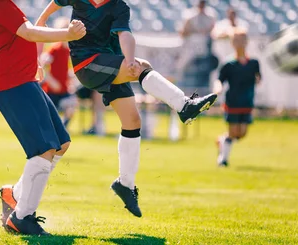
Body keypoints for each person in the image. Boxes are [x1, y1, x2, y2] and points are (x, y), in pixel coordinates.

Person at [36, 0, 218, 218]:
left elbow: (125, 35)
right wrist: (43, 19)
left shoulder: (119, 6)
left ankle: (125, 184)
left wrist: (129, 61)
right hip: (87, 64)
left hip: (111, 62)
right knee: (141, 68)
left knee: (133, 121)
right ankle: (184, 105)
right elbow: (57, 2)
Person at [0, 0, 86, 236]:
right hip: (13, 85)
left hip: (25, 81)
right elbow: (27, 33)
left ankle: (15, 195)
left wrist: (31, 62)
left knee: (60, 144)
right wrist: (67, 33)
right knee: (44, 150)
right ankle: (22, 217)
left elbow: (17, 37)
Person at [213, 29, 261, 167]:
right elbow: (219, 80)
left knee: (242, 134)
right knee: (233, 131)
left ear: (247, 42)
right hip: (233, 102)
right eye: (236, 40)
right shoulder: (228, 64)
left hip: (247, 102)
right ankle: (223, 160)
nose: (240, 43)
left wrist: (257, 80)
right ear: (232, 43)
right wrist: (218, 88)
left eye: (242, 40)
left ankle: (223, 141)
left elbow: (258, 78)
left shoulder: (253, 63)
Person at [40, 17, 78, 127]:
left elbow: (68, 70)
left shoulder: (70, 51)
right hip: (51, 90)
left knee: (72, 104)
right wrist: (49, 79)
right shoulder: (55, 49)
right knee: (49, 115)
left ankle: (63, 127)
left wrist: (71, 79)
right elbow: (44, 64)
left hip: (63, 90)